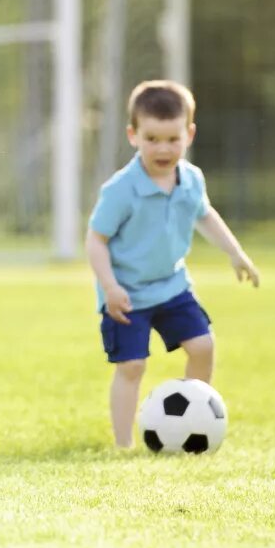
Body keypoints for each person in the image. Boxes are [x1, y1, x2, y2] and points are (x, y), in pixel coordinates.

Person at [86, 80, 260, 448]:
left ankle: (195, 419)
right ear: (133, 135)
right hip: (127, 294)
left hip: (172, 286)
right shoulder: (121, 189)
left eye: (171, 139)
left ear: (189, 134)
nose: (162, 148)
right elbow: (95, 239)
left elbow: (205, 216)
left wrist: (235, 252)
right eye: (151, 139)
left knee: (202, 345)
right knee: (132, 366)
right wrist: (110, 287)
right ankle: (123, 444)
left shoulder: (192, 180)